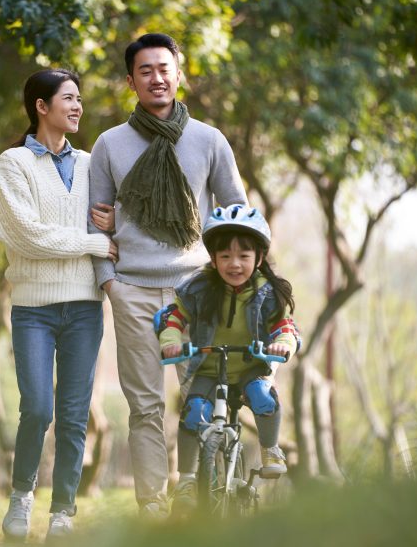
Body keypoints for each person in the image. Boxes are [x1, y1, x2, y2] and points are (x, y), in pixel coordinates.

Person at [88, 33, 247, 518]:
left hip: (194, 290)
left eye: (164, 68)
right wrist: (109, 282)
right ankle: (153, 507)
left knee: (198, 397)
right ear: (130, 81)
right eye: (145, 71)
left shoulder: (209, 140)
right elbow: (92, 223)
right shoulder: (110, 144)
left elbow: (235, 212)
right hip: (131, 288)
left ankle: (194, 491)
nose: (156, 78)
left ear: (179, 74)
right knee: (145, 406)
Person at [0, 68, 117, 541]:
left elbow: (112, 220)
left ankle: (63, 512)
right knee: (38, 408)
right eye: (68, 98)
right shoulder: (14, 163)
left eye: (79, 99)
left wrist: (112, 224)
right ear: (41, 106)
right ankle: (22, 498)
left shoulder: (91, 164)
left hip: (84, 306)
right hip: (33, 308)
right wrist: (93, 243)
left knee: (73, 413)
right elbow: (26, 236)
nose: (78, 106)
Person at [156, 204, 301, 514]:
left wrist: (282, 345)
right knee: (193, 412)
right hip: (209, 369)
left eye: (244, 256)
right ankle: (187, 479)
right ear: (213, 258)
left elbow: (285, 328)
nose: (234, 264)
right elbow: (172, 318)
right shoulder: (199, 288)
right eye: (225, 256)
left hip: (251, 369)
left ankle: (270, 448)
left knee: (264, 396)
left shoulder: (268, 294)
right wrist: (170, 342)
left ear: (259, 259)